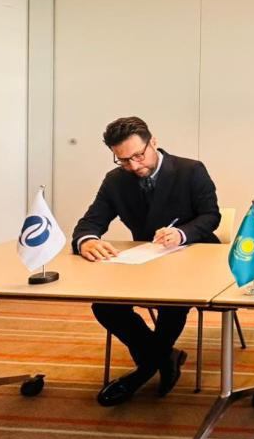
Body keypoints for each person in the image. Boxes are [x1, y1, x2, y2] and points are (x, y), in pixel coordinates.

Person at [72, 116, 221, 407]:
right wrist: (87, 240)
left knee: (172, 303)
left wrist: (182, 233)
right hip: (146, 262)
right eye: (123, 160)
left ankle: (143, 372)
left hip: (193, 257)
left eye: (138, 156)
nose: (134, 166)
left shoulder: (190, 170)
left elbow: (210, 216)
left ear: (153, 142)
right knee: (104, 306)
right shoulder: (116, 180)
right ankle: (164, 358)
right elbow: (90, 222)